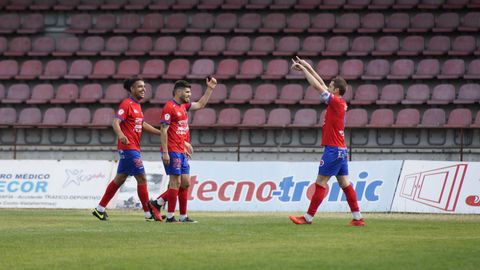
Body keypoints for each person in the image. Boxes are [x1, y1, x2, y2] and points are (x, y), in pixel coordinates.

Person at [288, 56, 365, 226]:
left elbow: (316, 86)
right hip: (341, 150)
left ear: (336, 90)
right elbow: (321, 83)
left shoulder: (336, 102)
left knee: (320, 182)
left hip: (333, 150)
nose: (328, 88)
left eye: (331, 87)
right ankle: (358, 218)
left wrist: (304, 71)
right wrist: (308, 66)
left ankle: (308, 218)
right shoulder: (340, 102)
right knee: (345, 183)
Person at [92, 77, 163, 221]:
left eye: (144, 86)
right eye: (139, 87)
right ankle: (148, 214)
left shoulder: (137, 106)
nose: (143, 89)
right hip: (128, 147)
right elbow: (115, 122)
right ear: (132, 89)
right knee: (142, 178)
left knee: (120, 178)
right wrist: (121, 135)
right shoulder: (127, 104)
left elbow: (142, 124)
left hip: (132, 147)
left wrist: (160, 132)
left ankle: (99, 209)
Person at [148, 78, 217, 223]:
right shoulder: (169, 107)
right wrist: (165, 152)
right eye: (187, 92)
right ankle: (171, 216)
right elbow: (164, 131)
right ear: (178, 91)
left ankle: (164, 207)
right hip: (172, 150)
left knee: (185, 183)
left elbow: (200, 104)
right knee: (175, 182)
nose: (189, 95)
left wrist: (210, 88)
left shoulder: (183, 106)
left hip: (181, 149)